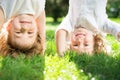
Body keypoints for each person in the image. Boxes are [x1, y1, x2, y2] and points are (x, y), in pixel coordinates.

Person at [55, 0, 120, 57]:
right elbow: (115, 28)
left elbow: (60, 32)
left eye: (75, 45)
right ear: (95, 42)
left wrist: (61, 55)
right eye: (86, 44)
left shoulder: (71, 22)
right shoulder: (100, 25)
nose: (80, 40)